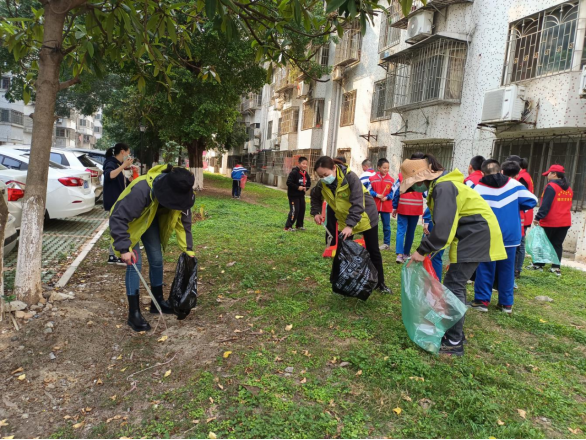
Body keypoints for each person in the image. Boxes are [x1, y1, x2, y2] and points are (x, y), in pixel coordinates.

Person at [403, 155, 506, 356]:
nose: (414, 189)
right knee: (455, 284)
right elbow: (447, 228)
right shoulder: (441, 186)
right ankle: (456, 333)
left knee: (453, 285)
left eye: (413, 184)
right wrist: (430, 249)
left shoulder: (443, 188)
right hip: (472, 235)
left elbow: (443, 229)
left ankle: (454, 340)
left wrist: (422, 250)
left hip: (476, 236)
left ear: (422, 178)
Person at [110, 165, 196, 332]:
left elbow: (185, 224)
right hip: (129, 225)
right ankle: (133, 314)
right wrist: (124, 248)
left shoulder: (183, 192)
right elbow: (118, 218)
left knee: (157, 259)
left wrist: (189, 250)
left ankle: (157, 303)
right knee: (135, 264)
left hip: (150, 220)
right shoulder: (141, 190)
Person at [310, 156, 391, 294]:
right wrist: (316, 212)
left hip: (366, 217)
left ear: (334, 168)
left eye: (326, 174)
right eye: (320, 176)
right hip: (345, 219)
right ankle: (344, 281)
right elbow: (315, 196)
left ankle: (380, 284)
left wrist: (350, 226)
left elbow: (358, 203)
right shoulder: (322, 184)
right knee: (343, 251)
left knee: (373, 250)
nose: (323, 178)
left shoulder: (350, 178)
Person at [471, 160, 537, 314]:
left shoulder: (477, 188)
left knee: (485, 268)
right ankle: (506, 304)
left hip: (487, 235)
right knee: (507, 269)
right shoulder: (514, 185)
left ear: (482, 173)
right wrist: (515, 207)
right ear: (500, 171)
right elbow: (532, 200)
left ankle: (481, 301)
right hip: (510, 235)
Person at [528, 164, 573, 276]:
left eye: (549, 173)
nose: (547, 176)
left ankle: (538, 265)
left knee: (542, 243)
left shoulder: (551, 186)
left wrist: (538, 217)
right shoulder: (568, 188)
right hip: (565, 221)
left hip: (550, 221)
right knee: (557, 244)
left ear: (554, 174)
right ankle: (556, 267)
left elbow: (546, 205)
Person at [103, 143, 135, 266]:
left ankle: (114, 254)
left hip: (119, 201)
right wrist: (123, 166)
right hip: (113, 201)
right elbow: (109, 175)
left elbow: (120, 181)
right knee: (116, 227)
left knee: (118, 227)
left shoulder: (117, 164)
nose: (129, 155)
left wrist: (130, 178)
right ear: (122, 152)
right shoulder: (110, 163)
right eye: (128, 152)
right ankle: (113, 255)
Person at [392, 153, 425, 263]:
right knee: (411, 231)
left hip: (403, 207)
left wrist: (395, 206)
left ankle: (399, 255)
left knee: (401, 231)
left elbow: (396, 191)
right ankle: (406, 254)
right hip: (415, 209)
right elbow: (426, 193)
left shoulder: (402, 175)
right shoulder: (423, 176)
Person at [506, 155, 535, 279]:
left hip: (522, 214)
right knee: (519, 243)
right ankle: (516, 269)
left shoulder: (521, 178)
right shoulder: (524, 175)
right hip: (524, 213)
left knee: (519, 244)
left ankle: (516, 269)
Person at [369, 158, 395, 251]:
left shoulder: (391, 180)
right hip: (374, 206)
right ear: (379, 167)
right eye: (384, 168)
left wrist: (387, 197)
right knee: (373, 224)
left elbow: (393, 193)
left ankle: (386, 244)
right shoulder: (372, 179)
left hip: (386, 206)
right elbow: (368, 190)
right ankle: (372, 242)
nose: (386, 170)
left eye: (387, 168)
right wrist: (376, 195)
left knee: (386, 225)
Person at [285, 157, 311, 232]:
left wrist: (306, 188)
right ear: (299, 164)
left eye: (306, 164)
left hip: (301, 195)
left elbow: (308, 183)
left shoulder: (306, 174)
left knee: (302, 210)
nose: (305, 165)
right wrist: (297, 187)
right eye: (303, 163)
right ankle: (288, 226)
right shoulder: (294, 173)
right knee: (295, 210)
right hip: (293, 195)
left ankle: (299, 225)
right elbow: (289, 182)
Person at [422, 207, 444, 282]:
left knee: (431, 255)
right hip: (448, 223)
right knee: (437, 256)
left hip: (435, 221)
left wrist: (427, 220)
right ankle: (435, 283)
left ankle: (431, 283)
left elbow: (433, 203)